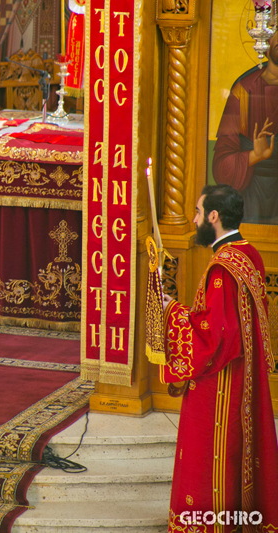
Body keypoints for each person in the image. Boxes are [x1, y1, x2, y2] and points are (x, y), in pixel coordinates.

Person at [158, 185, 278, 530]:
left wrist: (173, 311)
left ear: (214, 216)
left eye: (197, 212)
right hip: (247, 376)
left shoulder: (222, 267)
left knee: (212, 459)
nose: (194, 220)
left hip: (221, 384)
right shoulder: (248, 252)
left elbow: (217, 337)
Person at [212, 31, 278, 224]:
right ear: (266, 41)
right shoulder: (244, 91)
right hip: (251, 198)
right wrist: (254, 156)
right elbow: (221, 166)